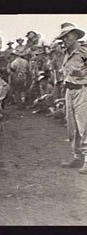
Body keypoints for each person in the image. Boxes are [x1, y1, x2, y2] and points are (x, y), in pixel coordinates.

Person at [55, 23, 87, 173]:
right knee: (72, 127)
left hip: (83, 90)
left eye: (66, 37)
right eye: (62, 38)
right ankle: (77, 156)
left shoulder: (83, 52)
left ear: (75, 36)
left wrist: (82, 76)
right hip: (70, 91)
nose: (64, 40)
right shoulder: (66, 53)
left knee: (84, 126)